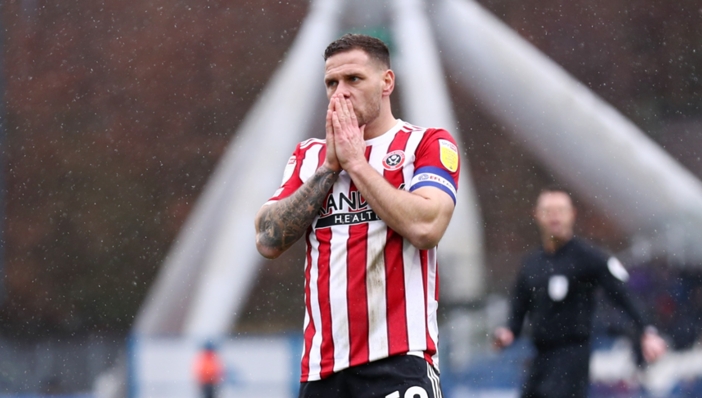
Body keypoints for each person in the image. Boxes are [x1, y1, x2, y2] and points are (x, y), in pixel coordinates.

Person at [254, 33, 460, 398]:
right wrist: (330, 169)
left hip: (398, 362)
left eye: (353, 79)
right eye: (331, 83)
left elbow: (427, 227)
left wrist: (357, 164)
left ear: (387, 82)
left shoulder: (426, 144)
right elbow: (267, 239)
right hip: (322, 371)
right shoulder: (309, 157)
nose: (340, 93)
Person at [493, 186, 667, 398]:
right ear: (536, 215)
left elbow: (622, 294)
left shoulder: (589, 257)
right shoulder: (531, 263)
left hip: (572, 354)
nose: (554, 217)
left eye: (560, 210)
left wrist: (647, 331)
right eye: (548, 211)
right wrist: (509, 331)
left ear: (572, 214)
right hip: (540, 355)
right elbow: (519, 305)